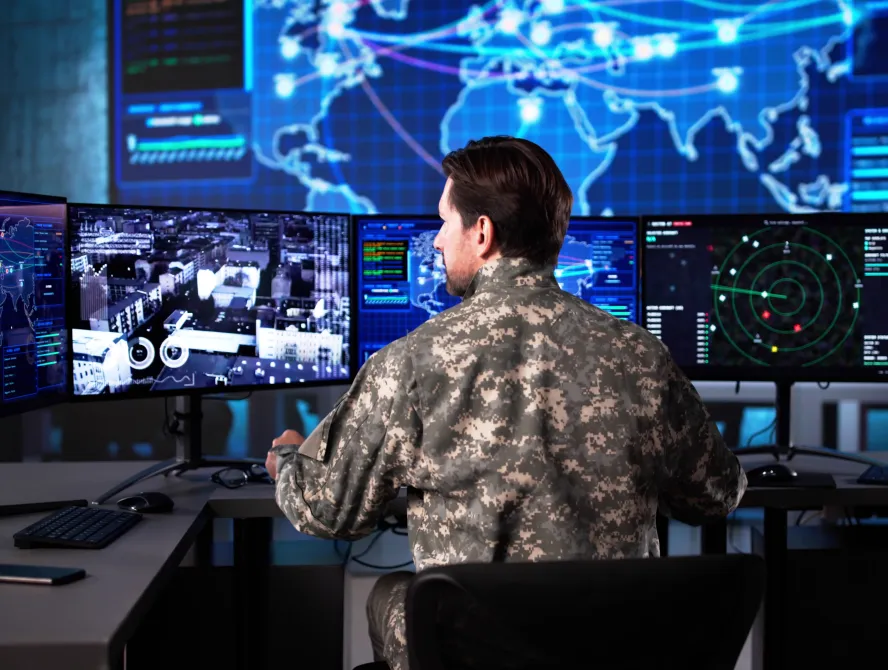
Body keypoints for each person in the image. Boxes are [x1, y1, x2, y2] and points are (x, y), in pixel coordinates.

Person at [265, 136, 747, 670]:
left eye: (444, 223)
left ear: (483, 232)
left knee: (390, 597)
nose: (436, 242)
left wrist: (288, 460)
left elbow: (330, 511)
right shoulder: (642, 356)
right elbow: (716, 497)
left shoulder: (413, 363)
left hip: (479, 657)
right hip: (617, 652)